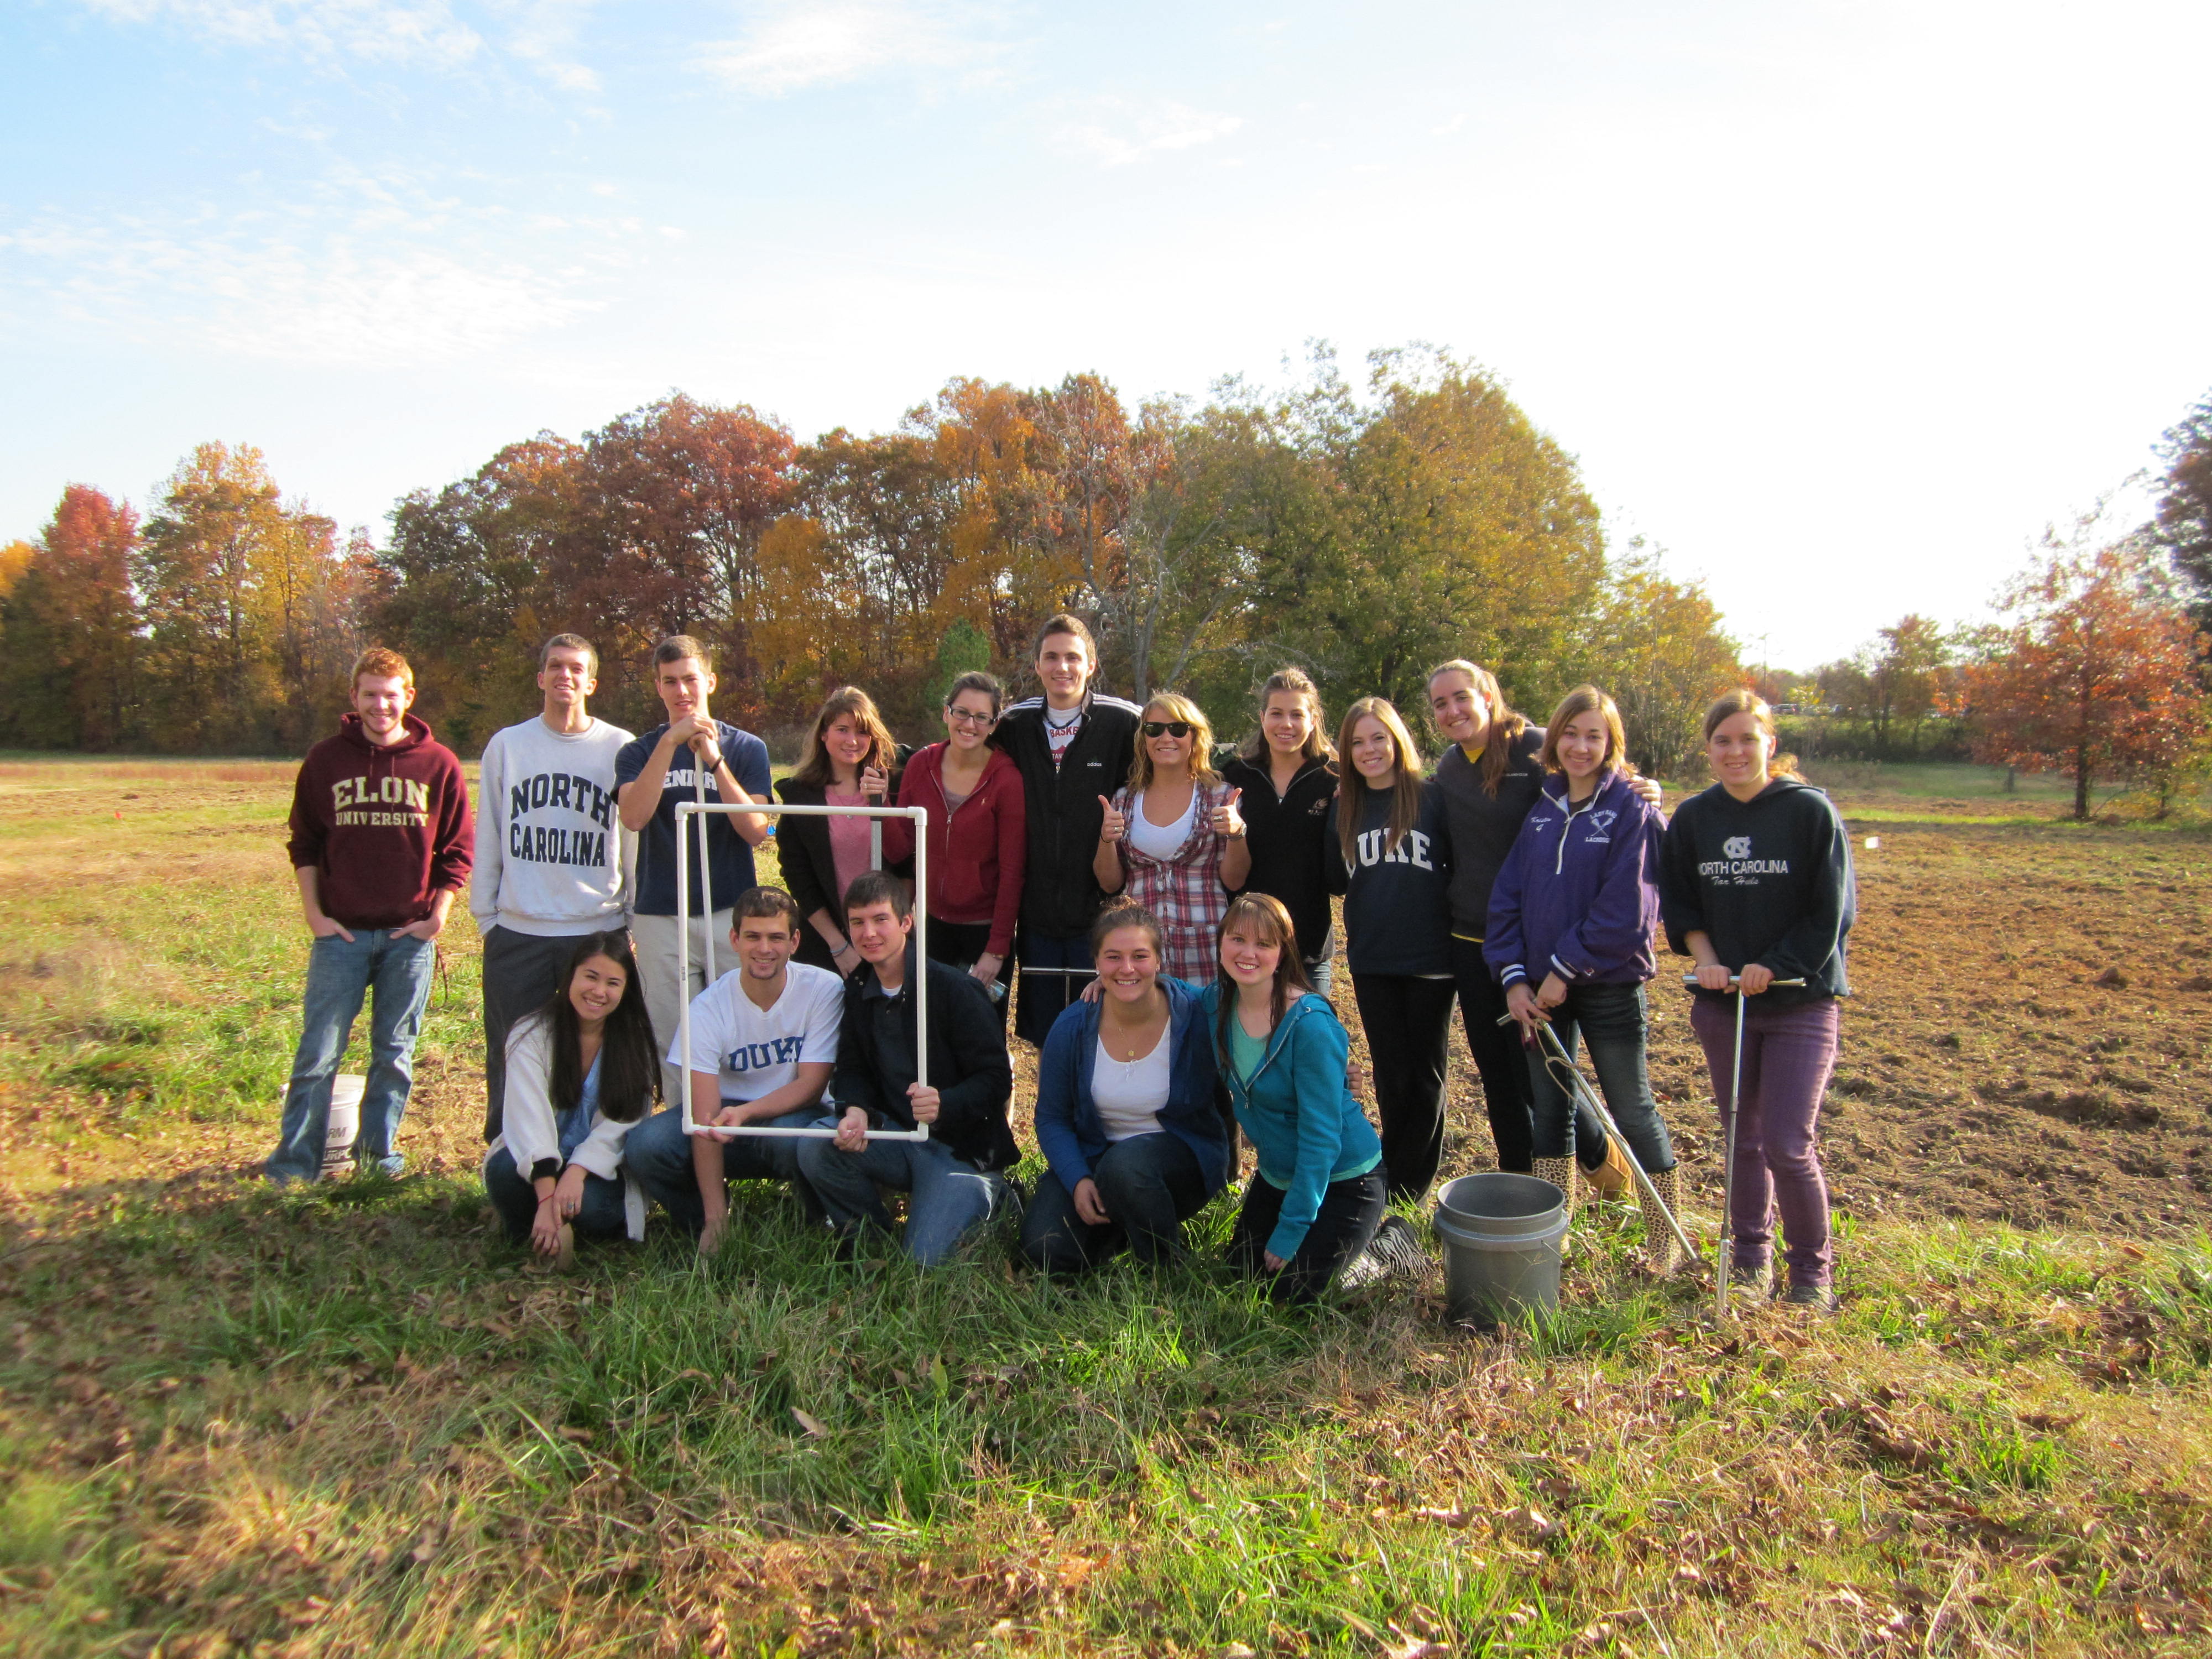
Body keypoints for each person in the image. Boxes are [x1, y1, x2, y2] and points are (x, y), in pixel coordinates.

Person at [1660, 689, 1855, 1312]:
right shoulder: (1694, 819)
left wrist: (1776, 967)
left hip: (1799, 1003)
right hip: (1725, 1006)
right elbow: (1682, 902)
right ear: (1709, 750)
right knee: (1741, 1137)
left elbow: (1831, 913)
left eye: (1748, 739)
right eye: (1723, 741)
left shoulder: (1808, 813)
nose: (1736, 751)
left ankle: (1810, 1275)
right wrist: (1709, 961)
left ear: (1771, 744)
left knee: (1786, 1143)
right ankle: (1748, 1263)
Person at [1488, 686, 1682, 1270]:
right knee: (1550, 1112)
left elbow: (1629, 909)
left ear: (1611, 742)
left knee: (1632, 1108)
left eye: (1593, 735)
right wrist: (1516, 979)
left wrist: (1562, 971)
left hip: (1607, 987)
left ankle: (1665, 1239)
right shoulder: (1543, 809)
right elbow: (1508, 897)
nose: (1579, 746)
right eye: (1569, 734)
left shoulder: (1630, 808)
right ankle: (1555, 1234)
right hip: (1539, 995)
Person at [1428, 659, 1634, 1194]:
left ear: (1487, 697)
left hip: (1533, 946)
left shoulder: (1536, 749)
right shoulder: (1447, 770)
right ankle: (1520, 1189)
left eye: (1461, 698)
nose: (1452, 711)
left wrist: (1646, 793)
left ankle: (1607, 1168)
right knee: (1496, 1076)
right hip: (1471, 943)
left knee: (1541, 1075)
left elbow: (1602, 784)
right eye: (1440, 704)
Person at [267, 648, 472, 1185]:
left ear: (409, 697)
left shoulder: (438, 764)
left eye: (391, 694)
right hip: (342, 935)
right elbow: (305, 844)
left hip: (410, 937)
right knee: (318, 1053)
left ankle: (376, 1159)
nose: (380, 705)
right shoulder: (325, 761)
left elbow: (457, 850)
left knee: (395, 1054)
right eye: (369, 695)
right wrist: (315, 915)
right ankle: (294, 1166)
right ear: (354, 699)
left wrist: (437, 918)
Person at [795, 872, 1017, 1264]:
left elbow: (998, 1080)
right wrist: (856, 1109)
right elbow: (851, 1068)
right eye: (858, 923)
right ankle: (869, 1243)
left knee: (924, 1263)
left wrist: (945, 1103)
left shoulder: (954, 990)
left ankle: (996, 1197)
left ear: (906, 923)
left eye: (881, 919)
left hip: (960, 1148)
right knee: (816, 1143)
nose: (869, 933)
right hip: (896, 1136)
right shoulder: (858, 989)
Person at [470, 633, 634, 1143]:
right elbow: (490, 833)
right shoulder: (508, 746)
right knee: (512, 1055)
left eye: (576, 668)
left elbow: (632, 838)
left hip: (596, 930)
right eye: (556, 667)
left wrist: (627, 919)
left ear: (592, 682)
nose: (565, 675)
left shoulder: (619, 747)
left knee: (596, 1056)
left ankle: (591, 1162)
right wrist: (488, 921)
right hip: (519, 932)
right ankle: (507, 1163)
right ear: (541, 678)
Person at [622, 887, 843, 1255]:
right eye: (753, 937)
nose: (764, 949)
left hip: (793, 1117)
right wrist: (714, 1217)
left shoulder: (822, 990)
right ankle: (709, 1220)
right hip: (725, 1120)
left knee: (799, 1140)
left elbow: (811, 1085)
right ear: (735, 939)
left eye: (776, 937)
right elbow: (704, 1117)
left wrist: (746, 1113)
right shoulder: (707, 1010)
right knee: (647, 1146)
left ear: (795, 941)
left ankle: (813, 1220)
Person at [1021, 902, 1232, 1275]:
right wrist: (1077, 1178)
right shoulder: (1071, 1027)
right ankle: (1119, 1230)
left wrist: (1331, 1066)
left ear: (1158, 961)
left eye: (1140, 956)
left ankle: (1165, 1266)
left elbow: (1260, 1023)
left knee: (1126, 1169)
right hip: (1094, 1157)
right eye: (1113, 957)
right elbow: (1052, 1117)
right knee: (1046, 1250)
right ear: (1097, 963)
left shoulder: (1195, 1014)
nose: (1127, 969)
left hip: (1176, 1162)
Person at [1207, 893, 1386, 1304]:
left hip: (1345, 1179)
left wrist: (1291, 1230)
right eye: (1237, 939)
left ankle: (1382, 1251)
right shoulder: (1217, 1007)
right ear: (1220, 945)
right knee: (1239, 1282)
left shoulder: (1309, 1026)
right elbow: (1171, 994)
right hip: (1278, 1176)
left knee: (1290, 1298)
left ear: (1282, 952)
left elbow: (1322, 1140)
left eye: (1263, 944)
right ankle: (1338, 1252)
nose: (1247, 953)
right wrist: (1114, 982)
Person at [1328, 696, 1457, 1268]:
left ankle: (1409, 1186)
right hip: (1373, 957)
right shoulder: (1347, 807)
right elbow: (1338, 880)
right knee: (1390, 1073)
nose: (1369, 750)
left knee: (1425, 1075)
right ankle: (1390, 1173)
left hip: (1430, 957)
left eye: (1379, 738)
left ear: (1397, 740)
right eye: (1358, 742)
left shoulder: (1430, 798)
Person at [616, 636, 772, 1103]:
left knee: (741, 1025)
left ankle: (745, 1130)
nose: (681, 690)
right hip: (664, 912)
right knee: (674, 1033)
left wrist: (713, 759)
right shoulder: (639, 752)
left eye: (690, 679)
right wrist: (670, 743)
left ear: (710, 681)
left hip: (731, 909)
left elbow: (756, 830)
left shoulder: (747, 747)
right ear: (658, 688)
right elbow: (634, 817)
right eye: (670, 682)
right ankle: (687, 1134)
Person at [993, 614, 1144, 1045]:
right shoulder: (1014, 725)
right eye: (1052, 657)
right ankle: (1053, 1111)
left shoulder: (1123, 721)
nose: (1063, 668)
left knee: (1103, 1029)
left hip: (1101, 910)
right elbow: (957, 750)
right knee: (1050, 1036)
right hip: (1037, 911)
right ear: (1037, 665)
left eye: (1073, 657)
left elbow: (1183, 747)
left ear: (1091, 664)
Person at [482, 931, 658, 1260]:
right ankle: (542, 1224)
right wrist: (549, 1198)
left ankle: (555, 1226)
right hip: (537, 1165)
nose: (598, 992)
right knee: (506, 1172)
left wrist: (577, 1172)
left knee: (592, 1209)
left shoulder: (633, 1041)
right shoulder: (530, 1034)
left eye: (612, 983)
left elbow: (622, 1124)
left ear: (626, 990)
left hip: (595, 1171)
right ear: (571, 976)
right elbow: (527, 1118)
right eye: (590, 977)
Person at [1094, 692, 1250, 983]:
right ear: (1143, 738)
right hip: (1141, 957)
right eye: (1154, 729)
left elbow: (1234, 881)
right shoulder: (1123, 799)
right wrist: (1106, 840)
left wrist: (1236, 833)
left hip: (1205, 951)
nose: (1166, 737)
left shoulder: (1220, 796)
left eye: (1178, 729)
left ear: (1195, 736)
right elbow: (1110, 884)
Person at [891, 671, 1026, 1001]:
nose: (970, 724)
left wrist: (996, 950)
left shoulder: (1006, 780)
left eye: (982, 717)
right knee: (935, 1030)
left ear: (994, 724)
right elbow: (898, 850)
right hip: (931, 924)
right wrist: (882, 805)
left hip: (983, 930)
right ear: (946, 713)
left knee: (981, 1033)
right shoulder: (921, 765)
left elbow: (1013, 871)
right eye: (962, 712)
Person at [1223, 668, 1340, 997]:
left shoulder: (1334, 779)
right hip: (1246, 948)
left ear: (1313, 720)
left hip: (1308, 948)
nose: (1285, 724)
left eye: (1297, 715)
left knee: (1309, 1042)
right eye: (1276, 713)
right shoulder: (1235, 776)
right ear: (1262, 718)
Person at [775, 686, 904, 978]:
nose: (852, 741)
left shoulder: (894, 784)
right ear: (824, 734)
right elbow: (798, 875)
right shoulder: (800, 795)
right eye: (842, 730)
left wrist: (883, 801)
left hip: (885, 937)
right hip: (826, 940)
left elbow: (906, 858)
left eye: (861, 732)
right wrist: (838, 946)